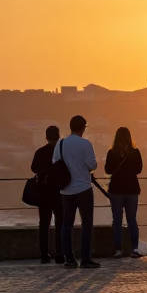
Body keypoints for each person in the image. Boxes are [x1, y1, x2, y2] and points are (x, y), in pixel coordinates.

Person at [53, 115, 100, 270]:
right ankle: (86, 258)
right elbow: (92, 165)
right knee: (87, 224)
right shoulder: (86, 144)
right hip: (83, 188)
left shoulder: (60, 143)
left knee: (67, 224)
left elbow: (55, 163)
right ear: (83, 128)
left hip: (66, 190)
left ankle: (69, 258)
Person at [105, 126, 143, 258]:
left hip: (116, 189)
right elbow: (139, 169)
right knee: (132, 219)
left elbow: (108, 170)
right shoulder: (135, 152)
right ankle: (135, 249)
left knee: (117, 220)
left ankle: (118, 249)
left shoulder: (112, 152)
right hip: (132, 189)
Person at [31, 125, 64, 264]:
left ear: (46, 137)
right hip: (59, 192)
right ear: (58, 135)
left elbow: (33, 168)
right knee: (60, 224)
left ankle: (44, 255)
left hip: (44, 193)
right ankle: (60, 254)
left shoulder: (40, 152)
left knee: (44, 224)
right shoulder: (62, 153)